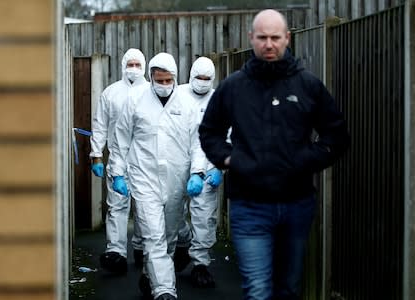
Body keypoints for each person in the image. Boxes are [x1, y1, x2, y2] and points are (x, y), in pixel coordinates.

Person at [198, 9, 350, 300]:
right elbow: (209, 132)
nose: (269, 44)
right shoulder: (234, 87)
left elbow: (337, 135)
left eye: (275, 38)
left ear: (287, 38)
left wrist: (307, 159)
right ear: (251, 38)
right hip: (249, 204)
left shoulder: (307, 85)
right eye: (263, 37)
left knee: (288, 289)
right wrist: (230, 159)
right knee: (258, 290)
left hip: (296, 204)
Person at [109, 52, 206, 300]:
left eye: (168, 80)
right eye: (159, 80)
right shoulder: (135, 100)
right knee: (153, 234)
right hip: (144, 177)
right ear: (151, 77)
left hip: (176, 178)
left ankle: (149, 275)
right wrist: (117, 172)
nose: (164, 85)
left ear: (175, 78)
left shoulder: (186, 105)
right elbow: (120, 141)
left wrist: (197, 171)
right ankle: (165, 290)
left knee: (169, 236)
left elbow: (198, 142)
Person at [89, 48, 149, 273]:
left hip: (145, 159)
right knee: (116, 207)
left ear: (143, 66)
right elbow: (100, 125)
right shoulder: (110, 93)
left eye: (137, 64)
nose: (133, 68)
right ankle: (115, 252)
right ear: (123, 65)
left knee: (144, 207)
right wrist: (96, 155)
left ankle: (142, 247)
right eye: (130, 64)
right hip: (118, 158)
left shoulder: (152, 91)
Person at [178, 56, 223, 288]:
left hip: (207, 165)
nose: (202, 83)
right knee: (174, 211)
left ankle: (200, 264)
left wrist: (218, 167)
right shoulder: (177, 94)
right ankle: (183, 242)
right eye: (199, 78)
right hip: (177, 164)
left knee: (204, 216)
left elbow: (228, 134)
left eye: (207, 79)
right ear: (191, 75)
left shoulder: (219, 99)